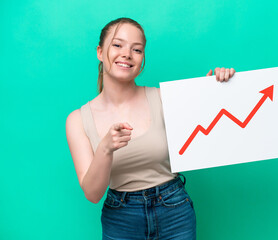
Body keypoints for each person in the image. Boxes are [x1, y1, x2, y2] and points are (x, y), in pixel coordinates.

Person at [65, 17, 236, 240]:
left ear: (142, 58)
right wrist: (105, 149)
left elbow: (211, 129)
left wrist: (220, 88)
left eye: (137, 49)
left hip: (174, 209)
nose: (127, 54)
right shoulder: (78, 119)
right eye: (117, 45)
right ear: (99, 52)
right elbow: (93, 193)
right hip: (121, 218)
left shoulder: (166, 99)